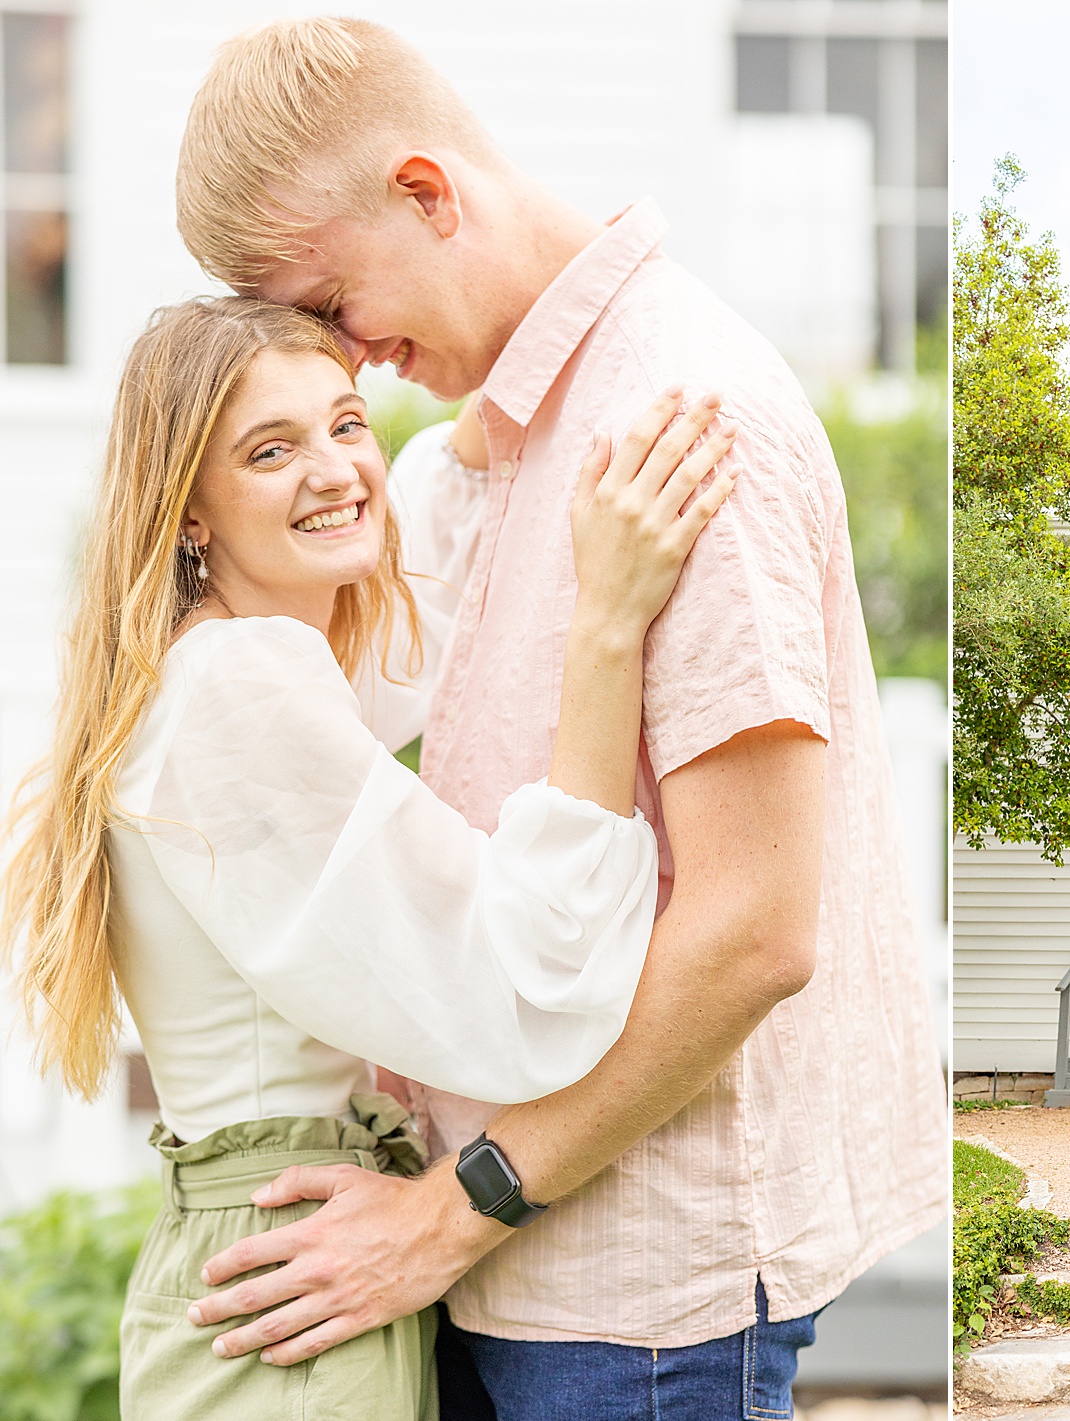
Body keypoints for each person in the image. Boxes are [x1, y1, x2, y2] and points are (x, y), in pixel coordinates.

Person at [170, 18, 948, 1417]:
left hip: (633, 1312)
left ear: (425, 193)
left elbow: (755, 929)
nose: (346, 355)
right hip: (524, 1276)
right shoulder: (518, 429)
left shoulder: (676, 422)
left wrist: (453, 1212)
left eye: (335, 303)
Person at [0, 296, 736, 1419]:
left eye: (348, 423)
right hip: (293, 1283)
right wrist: (607, 625)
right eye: (269, 449)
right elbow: (530, 978)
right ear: (190, 512)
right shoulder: (237, 690)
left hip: (271, 1250)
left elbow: (418, 600)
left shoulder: (206, 667)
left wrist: (495, 373)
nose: (338, 468)